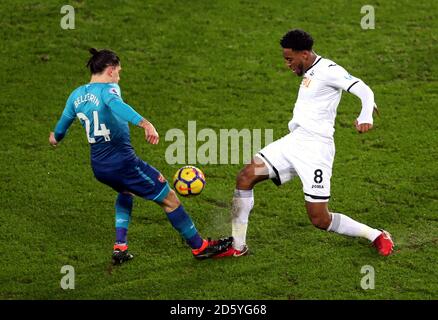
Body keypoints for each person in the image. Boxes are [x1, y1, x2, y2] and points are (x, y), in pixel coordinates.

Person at [215, 29, 394, 258]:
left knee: (320, 219)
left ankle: (376, 235)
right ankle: (237, 246)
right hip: (293, 143)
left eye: (290, 59)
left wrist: (366, 115)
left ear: (305, 54)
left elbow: (363, 89)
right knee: (245, 177)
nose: (287, 65)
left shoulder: (329, 70)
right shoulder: (310, 69)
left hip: (315, 151)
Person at [49, 48, 232, 265]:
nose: (119, 76)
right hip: (124, 164)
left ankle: (120, 247)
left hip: (99, 167)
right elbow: (117, 105)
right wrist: (145, 123)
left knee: (125, 191)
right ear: (109, 70)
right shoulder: (108, 90)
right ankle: (199, 247)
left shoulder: (76, 95)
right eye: (118, 71)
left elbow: (60, 129)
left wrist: (55, 138)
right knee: (170, 199)